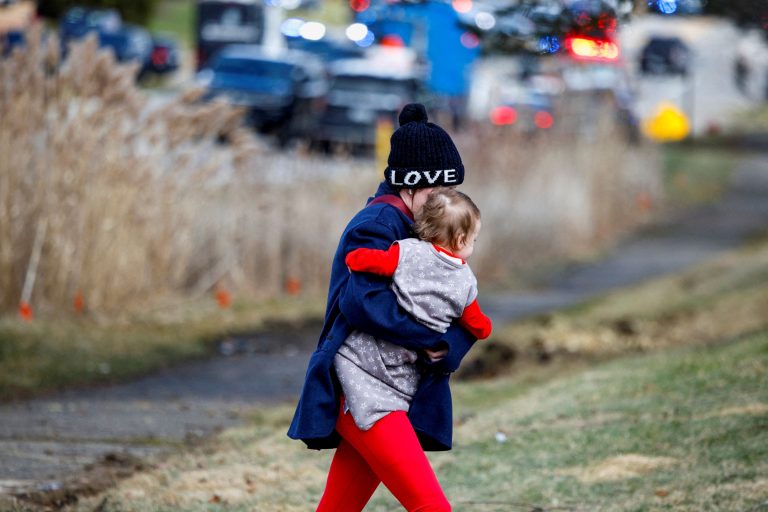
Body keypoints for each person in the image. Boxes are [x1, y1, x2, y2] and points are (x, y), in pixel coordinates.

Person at [287, 103, 484, 511]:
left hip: (396, 386)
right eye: (437, 191)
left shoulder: (424, 227)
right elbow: (361, 303)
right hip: (362, 388)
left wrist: (447, 347)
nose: (445, 202)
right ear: (408, 186)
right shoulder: (376, 225)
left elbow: (454, 303)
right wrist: (426, 340)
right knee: (432, 507)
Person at [337, 188, 492, 432]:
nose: (472, 246)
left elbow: (380, 262)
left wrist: (354, 258)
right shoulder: (466, 282)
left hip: (371, 355)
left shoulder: (408, 250)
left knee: (358, 468)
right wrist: (485, 328)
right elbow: (476, 323)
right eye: (473, 240)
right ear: (461, 240)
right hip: (405, 369)